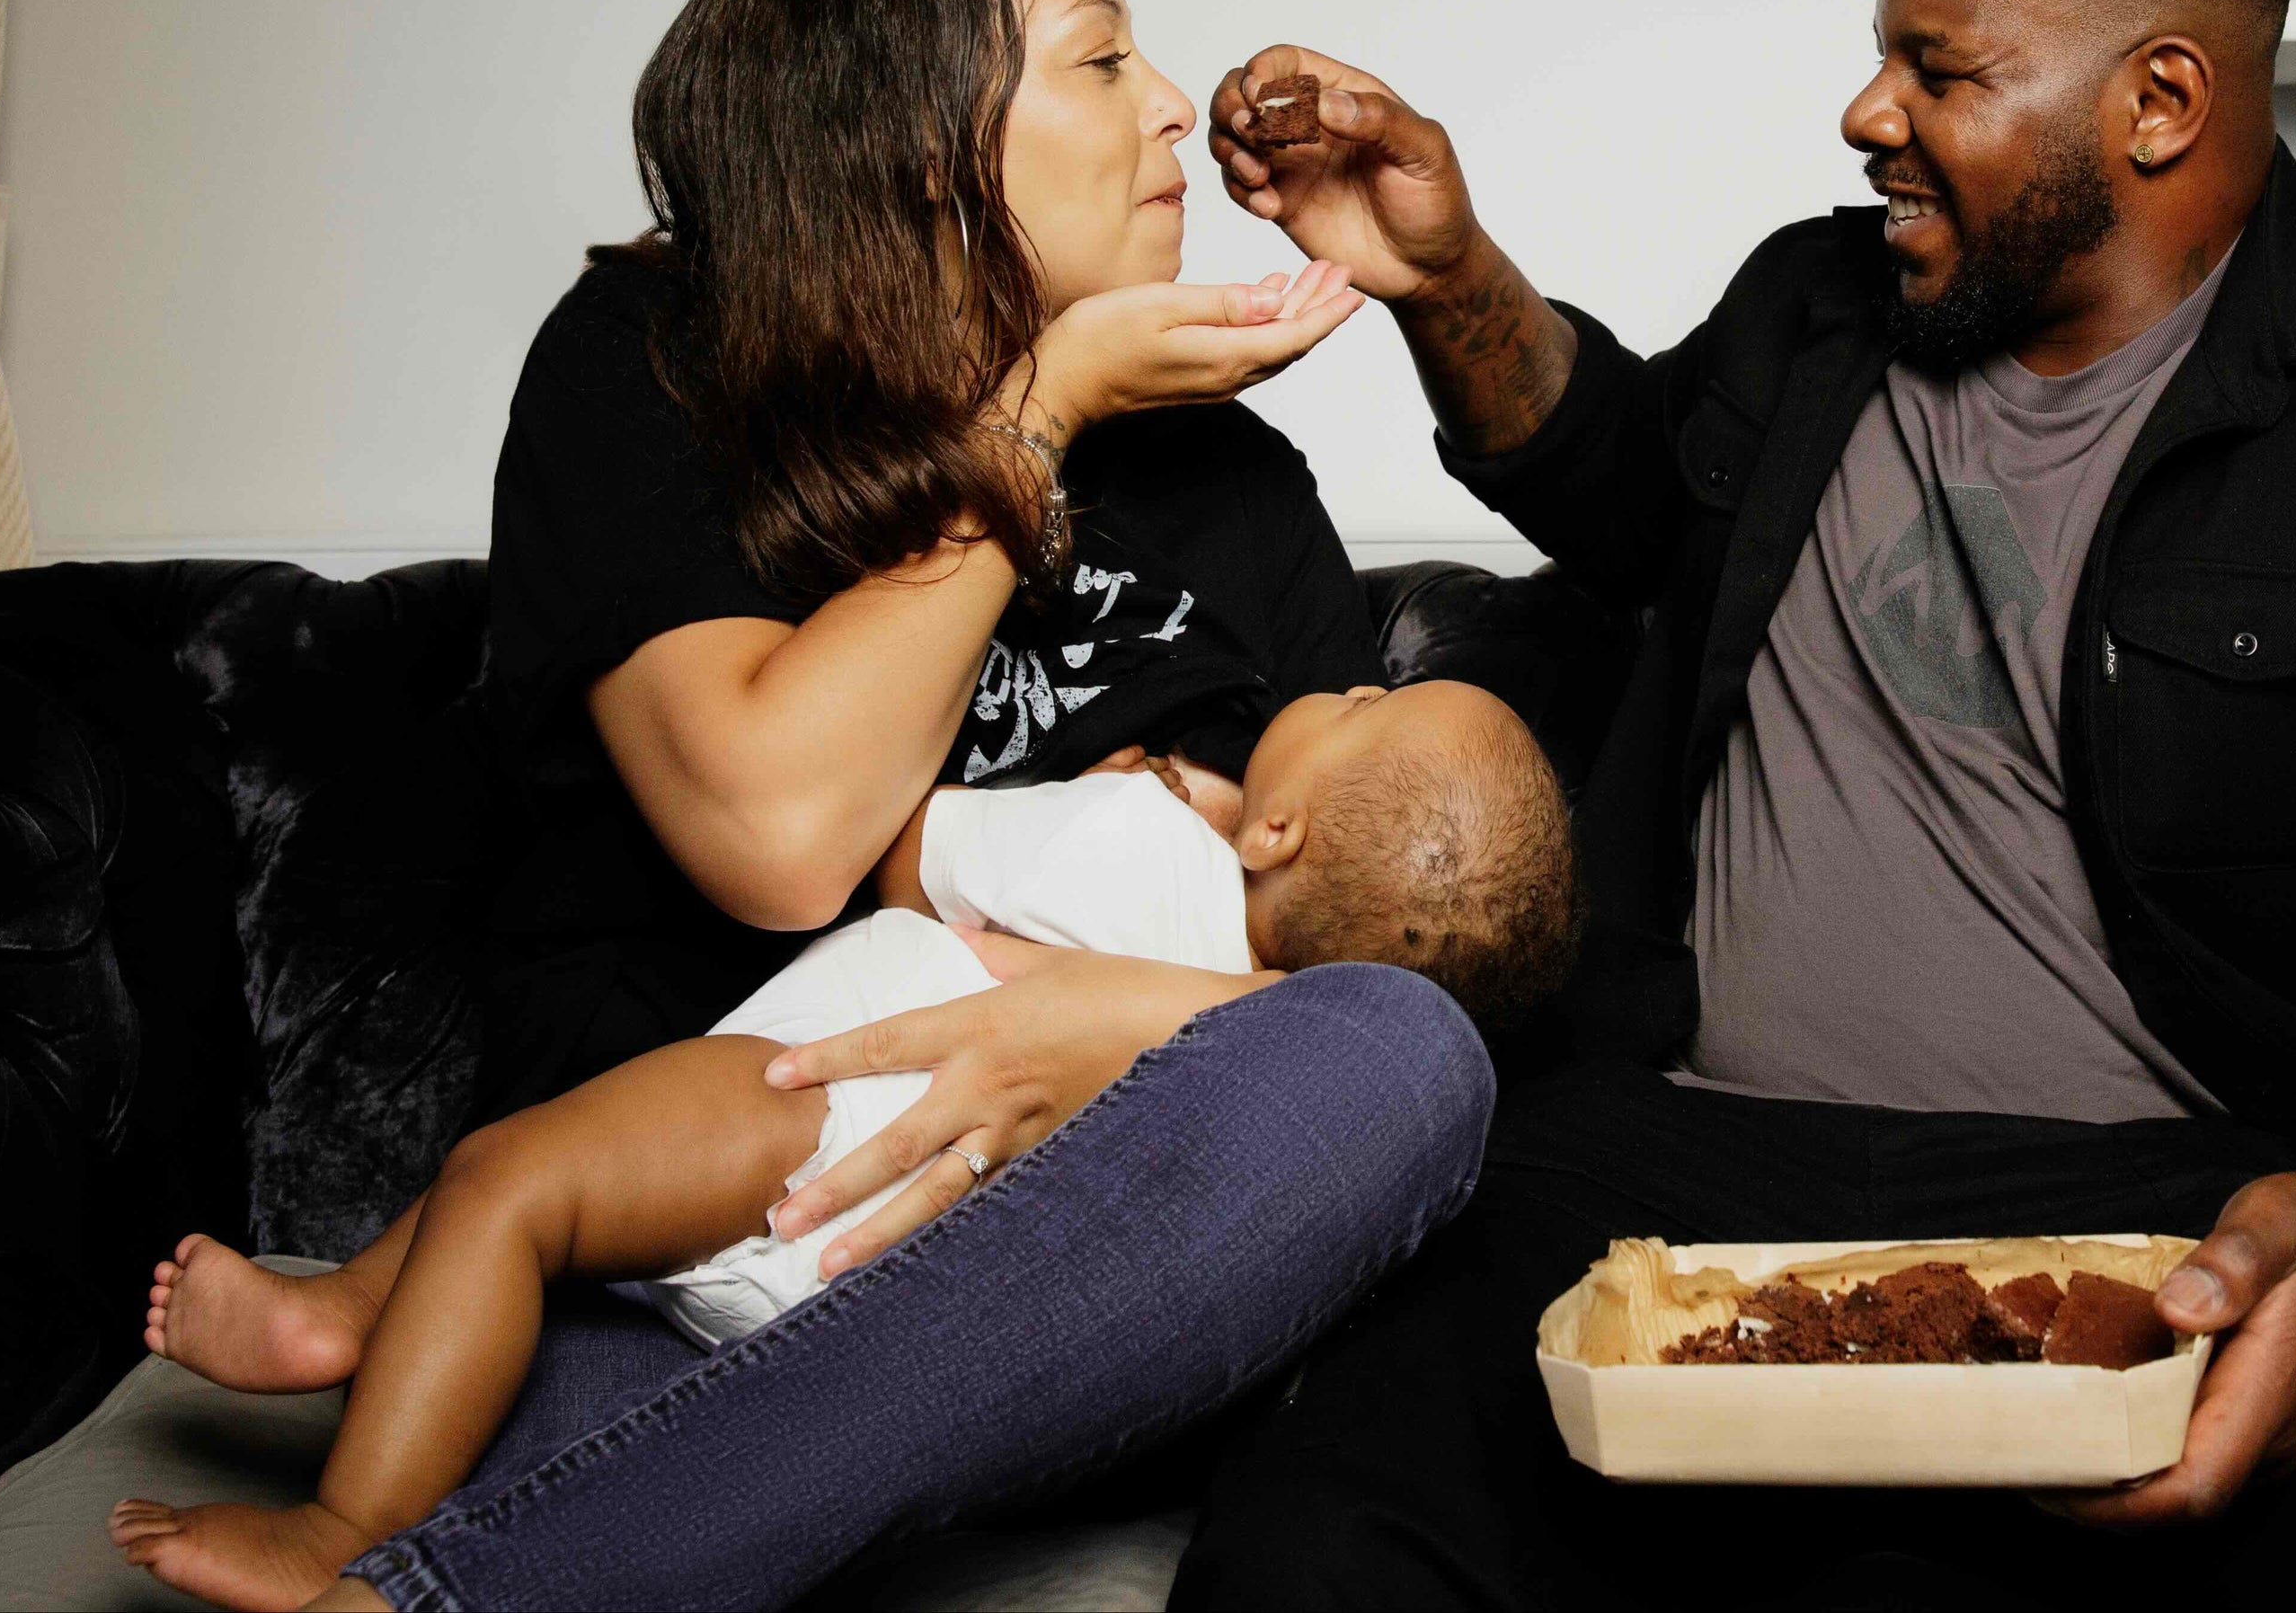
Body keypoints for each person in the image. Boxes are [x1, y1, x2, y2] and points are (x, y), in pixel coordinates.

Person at [1176, 0, 2296, 1609]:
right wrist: (1448, 278)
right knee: (1314, 1546)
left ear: (2158, 103)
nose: (1865, 112)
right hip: (1671, 1181)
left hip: (2174, 1205)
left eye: (1938, 68)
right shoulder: (1818, 311)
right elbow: (1618, 485)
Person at [115, 0, 1503, 1613]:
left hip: (1069, 1263)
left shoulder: (1229, 482)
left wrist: (1109, 1024)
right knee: (581, 1392)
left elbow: (1380, 930)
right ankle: (605, 1533)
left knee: (1414, 1068)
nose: (1171, 105)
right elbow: (776, 838)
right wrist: (1037, 418)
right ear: (918, 144)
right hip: (683, 1227)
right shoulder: (660, 368)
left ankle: (506, 1571)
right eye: (1101, 61)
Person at [111, 678, 1576, 1609]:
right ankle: (378, 1366)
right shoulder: (1276, 1036)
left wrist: (1128, 802)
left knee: (509, 1176)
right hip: (909, 1305)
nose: (1344, 678)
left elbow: (903, 856)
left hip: (815, 1117)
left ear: (1281, 834)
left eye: (1371, 697)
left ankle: (345, 1485)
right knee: (537, 1238)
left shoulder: (1139, 837)